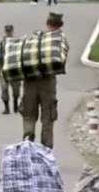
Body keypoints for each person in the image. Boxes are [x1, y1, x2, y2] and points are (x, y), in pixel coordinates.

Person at [20, 12, 67, 148]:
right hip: (48, 82)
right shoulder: (59, 40)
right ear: (60, 26)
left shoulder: (34, 39)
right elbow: (61, 61)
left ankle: (28, 136)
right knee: (48, 116)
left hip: (29, 81)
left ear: (47, 24)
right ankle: (46, 146)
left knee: (28, 114)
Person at [0, 24, 21, 114]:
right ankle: (6, 107)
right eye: (7, 31)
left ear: (12, 31)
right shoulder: (2, 43)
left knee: (16, 89)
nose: (8, 33)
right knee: (4, 89)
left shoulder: (16, 42)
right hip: (4, 69)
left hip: (15, 69)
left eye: (10, 31)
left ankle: (15, 104)